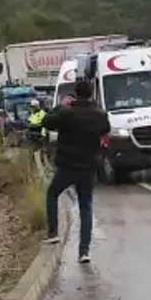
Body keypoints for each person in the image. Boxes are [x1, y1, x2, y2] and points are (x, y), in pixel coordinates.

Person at [41, 78, 110, 263]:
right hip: (89, 167)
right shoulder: (99, 114)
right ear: (91, 93)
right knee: (85, 205)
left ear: (76, 94)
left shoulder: (66, 113)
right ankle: (84, 251)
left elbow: (46, 122)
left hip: (68, 165)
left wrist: (60, 106)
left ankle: (53, 232)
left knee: (52, 194)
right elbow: (106, 129)